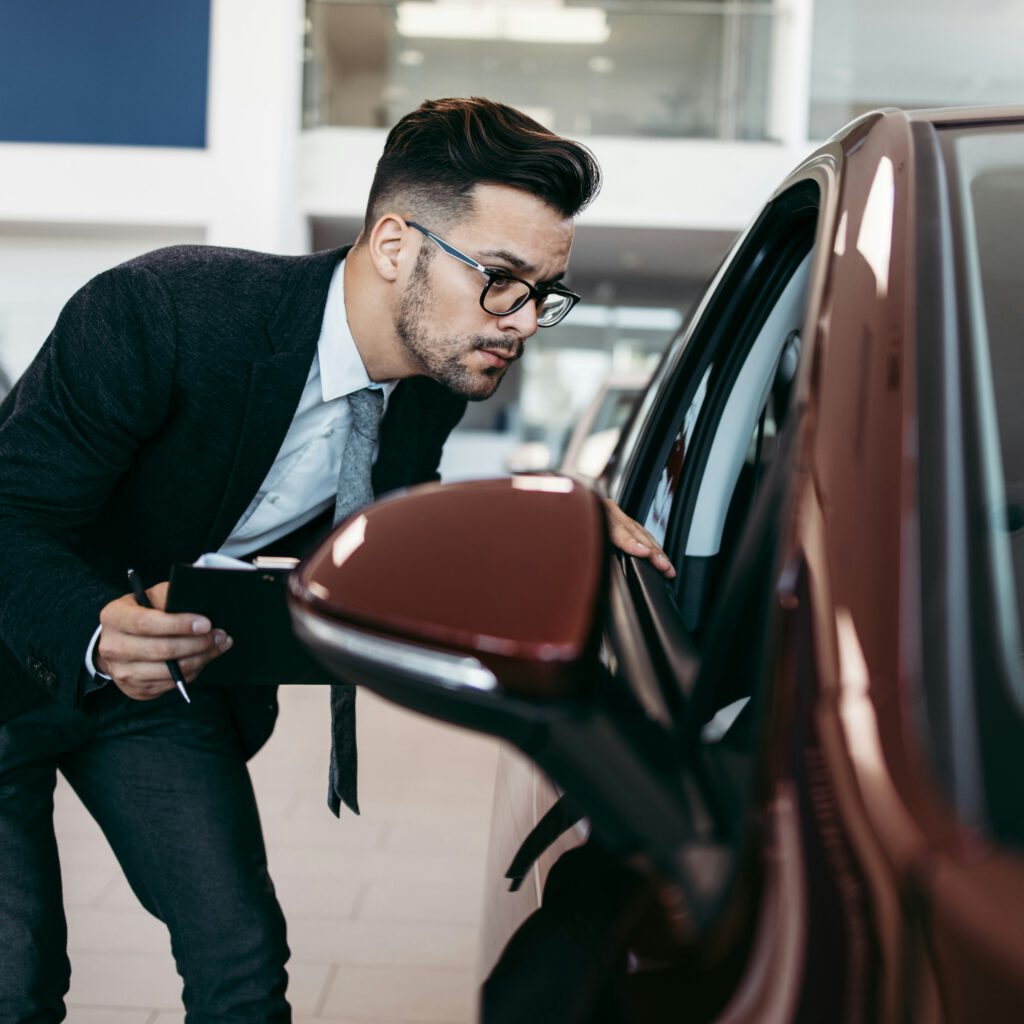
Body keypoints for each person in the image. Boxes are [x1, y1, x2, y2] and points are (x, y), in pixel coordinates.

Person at [0, 97, 674, 1021]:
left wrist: (548, 521)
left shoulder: (435, 383)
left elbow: (391, 539)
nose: (520, 322)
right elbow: (10, 511)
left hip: (164, 691)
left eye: (542, 295)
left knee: (242, 965)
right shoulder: (165, 308)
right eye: (502, 281)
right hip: (15, 656)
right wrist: (90, 628)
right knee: (18, 976)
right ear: (396, 244)